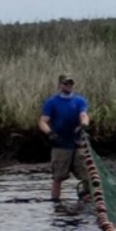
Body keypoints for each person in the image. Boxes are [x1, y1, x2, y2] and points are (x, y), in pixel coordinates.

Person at [39, 75, 91, 209]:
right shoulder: (51, 102)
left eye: (70, 84)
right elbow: (43, 121)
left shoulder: (79, 100)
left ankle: (87, 200)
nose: (68, 86)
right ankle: (55, 203)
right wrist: (50, 133)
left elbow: (84, 115)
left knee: (86, 175)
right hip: (60, 144)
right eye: (65, 83)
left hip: (78, 143)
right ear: (60, 85)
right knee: (58, 177)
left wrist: (83, 125)